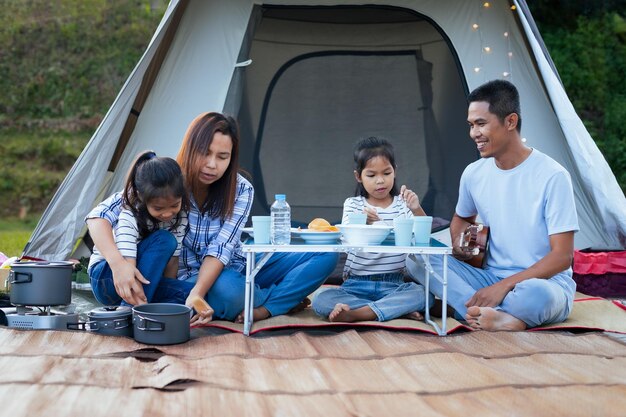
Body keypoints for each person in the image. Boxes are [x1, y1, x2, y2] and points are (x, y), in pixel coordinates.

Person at [87, 112, 338, 325]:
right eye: (205, 153)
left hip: (233, 265)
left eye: (222, 157)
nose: (212, 165)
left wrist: (198, 293)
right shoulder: (164, 178)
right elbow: (98, 217)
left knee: (326, 254)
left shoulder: (241, 189)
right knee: (230, 293)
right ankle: (275, 298)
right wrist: (118, 264)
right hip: (194, 279)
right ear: (189, 147)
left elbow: (222, 249)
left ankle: (266, 305)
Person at [406, 79, 579, 331]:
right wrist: (466, 247)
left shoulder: (553, 175)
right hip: (486, 278)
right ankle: (496, 317)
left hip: (542, 283)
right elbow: (461, 218)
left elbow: (563, 257)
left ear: (510, 121)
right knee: (416, 260)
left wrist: (503, 287)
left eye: (481, 123)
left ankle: (472, 310)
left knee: (536, 295)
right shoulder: (474, 173)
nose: (473, 133)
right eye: (471, 125)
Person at [312, 137, 433, 322]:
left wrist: (416, 208)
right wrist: (363, 221)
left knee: (422, 294)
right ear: (358, 176)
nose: (380, 181)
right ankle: (393, 309)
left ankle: (359, 313)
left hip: (394, 284)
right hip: (356, 284)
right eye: (371, 175)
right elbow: (347, 235)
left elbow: (424, 236)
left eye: (386, 173)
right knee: (321, 299)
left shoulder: (403, 205)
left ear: (395, 172)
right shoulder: (353, 204)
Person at [86, 151, 190, 306]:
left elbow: (172, 263)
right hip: (108, 277)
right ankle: (130, 311)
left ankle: (145, 308)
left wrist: (169, 290)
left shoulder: (180, 217)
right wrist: (118, 265)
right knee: (164, 240)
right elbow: (128, 265)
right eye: (158, 208)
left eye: (174, 205)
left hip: (143, 279)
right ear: (142, 197)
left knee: (192, 295)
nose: (168, 213)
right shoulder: (129, 213)